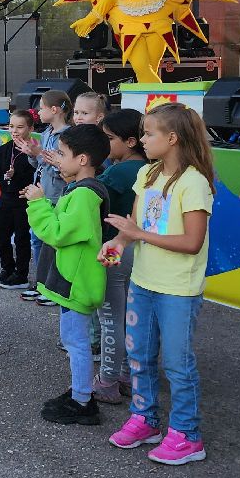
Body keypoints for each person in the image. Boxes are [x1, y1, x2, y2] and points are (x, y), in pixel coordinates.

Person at [102, 103, 214, 466]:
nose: (144, 140)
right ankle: (144, 419)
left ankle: (187, 435)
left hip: (178, 289)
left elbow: (191, 242)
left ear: (172, 138)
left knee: (178, 364)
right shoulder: (148, 175)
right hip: (143, 282)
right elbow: (132, 228)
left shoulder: (193, 182)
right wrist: (117, 244)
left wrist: (137, 234)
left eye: (149, 134)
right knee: (140, 357)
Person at [24, 124, 110, 425]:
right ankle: (80, 391)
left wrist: (37, 203)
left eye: (62, 154)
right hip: (73, 279)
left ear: (83, 159)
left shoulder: (85, 195)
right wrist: (46, 203)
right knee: (73, 339)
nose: (57, 159)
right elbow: (64, 220)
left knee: (76, 342)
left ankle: (82, 402)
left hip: (77, 282)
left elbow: (59, 232)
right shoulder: (79, 191)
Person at [95, 109, 147, 404]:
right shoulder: (151, 170)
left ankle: (107, 380)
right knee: (130, 314)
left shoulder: (115, 173)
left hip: (113, 247)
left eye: (109, 138)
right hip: (139, 249)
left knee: (110, 316)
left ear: (130, 141)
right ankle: (128, 374)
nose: (105, 144)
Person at [14, 89, 73, 301]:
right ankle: (41, 283)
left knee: (51, 245)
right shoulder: (47, 133)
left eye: (42, 108)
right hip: (42, 194)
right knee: (38, 241)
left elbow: (65, 169)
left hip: (56, 196)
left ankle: (52, 287)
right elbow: (41, 164)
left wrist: (40, 155)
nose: (38, 112)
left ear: (55, 109)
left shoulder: (67, 136)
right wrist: (33, 154)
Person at [0, 108, 36, 291]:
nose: (14, 131)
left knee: (22, 238)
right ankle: (7, 269)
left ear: (30, 128)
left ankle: (21, 275)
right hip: (6, 199)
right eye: (11, 126)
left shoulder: (34, 150)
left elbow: (36, 176)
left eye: (20, 127)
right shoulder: (6, 148)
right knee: (1, 236)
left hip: (23, 199)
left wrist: (16, 174)